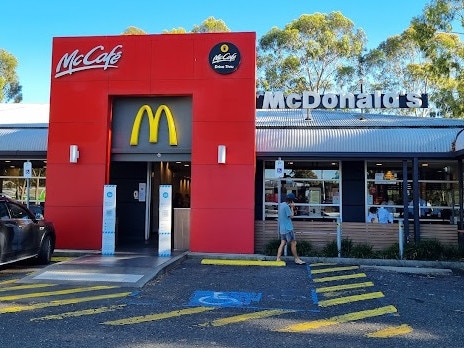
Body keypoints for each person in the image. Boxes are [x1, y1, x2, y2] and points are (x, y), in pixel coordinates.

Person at [276, 192, 306, 265]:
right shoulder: (286, 207)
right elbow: (291, 216)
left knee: (283, 243)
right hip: (288, 228)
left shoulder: (282, 204)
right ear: (291, 200)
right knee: (293, 243)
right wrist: (292, 207)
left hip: (282, 228)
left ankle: (278, 258)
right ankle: (296, 259)